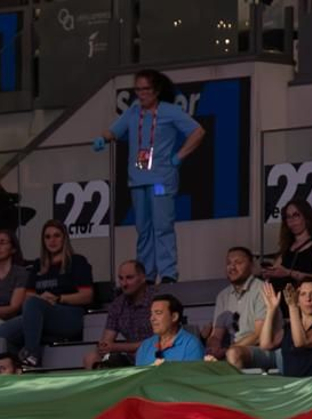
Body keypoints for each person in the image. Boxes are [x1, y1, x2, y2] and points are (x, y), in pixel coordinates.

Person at [97, 68, 205, 283]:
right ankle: (145, 274)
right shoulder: (133, 112)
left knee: (162, 226)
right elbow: (113, 131)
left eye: (146, 89)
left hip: (160, 180)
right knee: (143, 229)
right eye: (138, 89)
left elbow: (198, 131)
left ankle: (168, 273)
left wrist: (179, 156)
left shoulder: (169, 111)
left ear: (156, 90)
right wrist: (102, 138)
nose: (141, 94)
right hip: (138, 181)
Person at [0, 220, 95, 365]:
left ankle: (32, 354)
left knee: (34, 304)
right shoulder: (38, 264)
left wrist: (58, 298)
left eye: (57, 236)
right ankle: (19, 362)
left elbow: (87, 296)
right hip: (40, 313)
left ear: (64, 238)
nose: (52, 240)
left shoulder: (77, 261)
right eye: (47, 237)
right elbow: (27, 297)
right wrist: (42, 300)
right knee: (0, 333)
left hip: (70, 315)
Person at [252, 278, 312, 377]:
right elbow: (265, 344)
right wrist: (271, 309)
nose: (308, 299)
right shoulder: (289, 327)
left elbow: (300, 342)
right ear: (298, 300)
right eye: (303, 294)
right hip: (292, 387)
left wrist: (293, 306)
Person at [86, 259, 154, 367]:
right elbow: (107, 341)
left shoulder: (156, 301)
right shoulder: (118, 304)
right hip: (130, 358)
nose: (124, 284)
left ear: (143, 278)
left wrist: (116, 347)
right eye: (121, 279)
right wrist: (104, 347)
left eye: (129, 278)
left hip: (155, 355)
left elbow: (157, 342)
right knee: (92, 358)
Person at [205, 247, 269, 360]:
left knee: (234, 354)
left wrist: (229, 350)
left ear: (251, 266)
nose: (232, 267)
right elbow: (216, 335)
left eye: (238, 263)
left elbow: (259, 335)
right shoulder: (222, 296)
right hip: (232, 350)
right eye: (228, 263)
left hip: (260, 349)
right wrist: (213, 346)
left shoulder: (262, 289)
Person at [262, 199, 312, 289]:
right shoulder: (287, 247)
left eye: (296, 215)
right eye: (288, 217)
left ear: (306, 217)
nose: (292, 220)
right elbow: (275, 270)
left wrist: (290, 273)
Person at [129, 294, 203, 367]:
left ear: (174, 317)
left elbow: (192, 377)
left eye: (158, 313)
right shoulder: (145, 346)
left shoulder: (191, 346)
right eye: (151, 314)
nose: (152, 318)